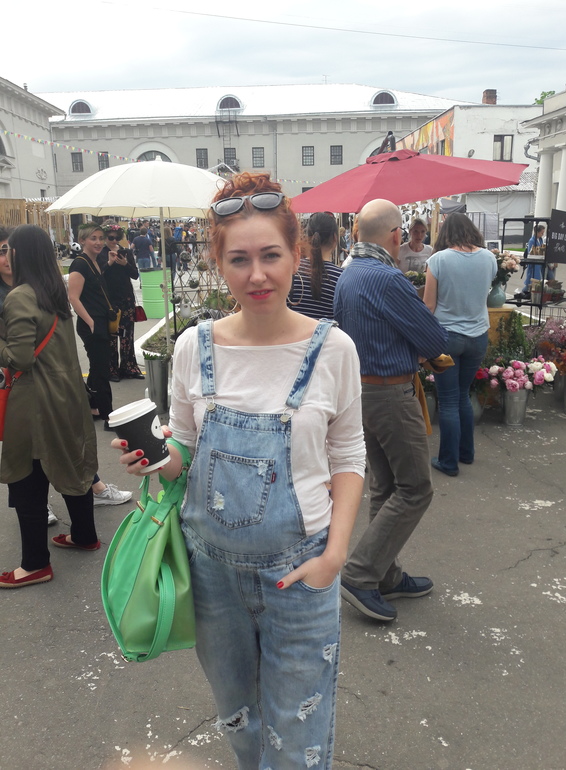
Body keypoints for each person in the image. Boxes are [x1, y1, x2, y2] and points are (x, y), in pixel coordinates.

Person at [114, 172, 366, 768]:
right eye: (240, 259)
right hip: (212, 575)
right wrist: (156, 459)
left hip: (300, 573)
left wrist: (334, 557)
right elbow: (184, 449)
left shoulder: (334, 351)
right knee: (240, 722)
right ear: (218, 264)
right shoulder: (192, 347)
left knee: (297, 738)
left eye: (271, 255)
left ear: (296, 255)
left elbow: (349, 456)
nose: (257, 275)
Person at [334, 198, 448, 623]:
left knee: (386, 486)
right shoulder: (386, 278)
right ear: (396, 235)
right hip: (389, 392)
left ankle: (385, 575)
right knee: (415, 488)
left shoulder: (349, 273)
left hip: (361, 392)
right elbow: (434, 338)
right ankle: (362, 573)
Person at [0, 225, 99, 588]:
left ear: (19, 253)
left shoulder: (20, 296)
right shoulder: (54, 291)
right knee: (73, 462)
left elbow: (20, 359)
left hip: (35, 401)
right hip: (68, 394)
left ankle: (35, 564)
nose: (6, 255)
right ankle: (85, 535)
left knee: (27, 478)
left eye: (9, 249)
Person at [423, 213, 496, 477]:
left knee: (448, 400)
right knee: (463, 394)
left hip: (447, 338)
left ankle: (448, 461)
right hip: (478, 336)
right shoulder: (489, 258)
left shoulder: (438, 260)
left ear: (445, 234)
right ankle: (466, 452)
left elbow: (429, 305)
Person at [68, 223, 114, 428]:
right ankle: (108, 416)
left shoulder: (94, 261)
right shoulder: (80, 264)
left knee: (98, 368)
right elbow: (73, 297)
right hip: (92, 324)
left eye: (101, 238)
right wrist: (91, 322)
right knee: (102, 370)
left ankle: (93, 406)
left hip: (100, 321)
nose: (98, 242)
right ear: (82, 240)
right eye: (93, 238)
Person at [98, 225, 144, 381]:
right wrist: (110, 263)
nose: (114, 241)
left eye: (117, 237)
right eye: (110, 237)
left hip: (126, 298)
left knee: (127, 335)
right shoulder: (101, 253)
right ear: (105, 237)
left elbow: (135, 275)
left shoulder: (126, 252)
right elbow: (98, 275)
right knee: (112, 334)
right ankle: (112, 369)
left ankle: (129, 367)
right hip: (109, 300)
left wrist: (125, 264)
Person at [288, 212, 343, 319]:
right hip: (328, 330)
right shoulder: (341, 277)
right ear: (335, 238)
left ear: (308, 238)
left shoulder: (294, 270)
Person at [521, 224, 554, 295]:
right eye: (541, 233)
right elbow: (530, 252)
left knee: (538, 279)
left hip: (539, 262)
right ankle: (523, 292)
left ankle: (532, 292)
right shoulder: (532, 240)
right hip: (534, 263)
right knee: (532, 279)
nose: (542, 234)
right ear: (537, 232)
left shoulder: (540, 239)